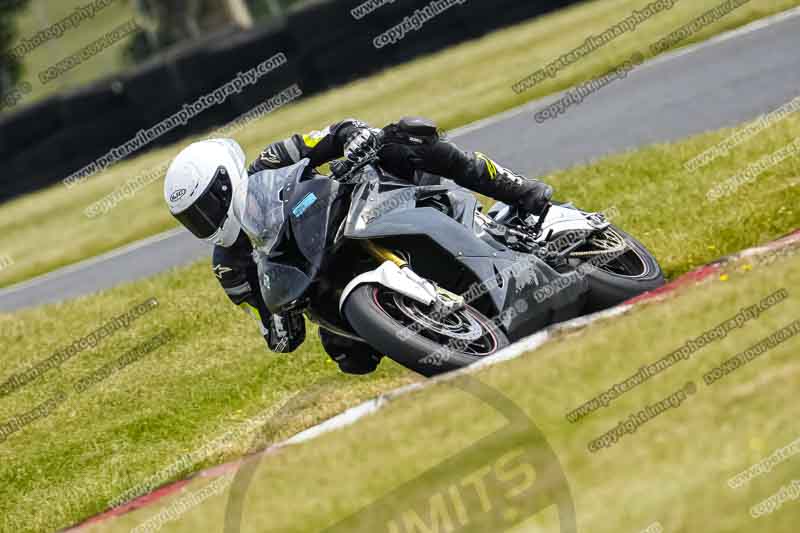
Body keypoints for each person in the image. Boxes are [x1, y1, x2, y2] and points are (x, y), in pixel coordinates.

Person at [163, 117, 552, 374]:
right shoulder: (229, 266)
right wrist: (280, 323)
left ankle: (518, 192)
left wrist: (355, 139)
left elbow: (333, 133)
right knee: (349, 357)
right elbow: (273, 331)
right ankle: (435, 332)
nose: (205, 222)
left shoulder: (271, 161)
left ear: (226, 182)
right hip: (323, 277)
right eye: (192, 219)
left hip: (353, 210)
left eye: (206, 207)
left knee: (405, 139)